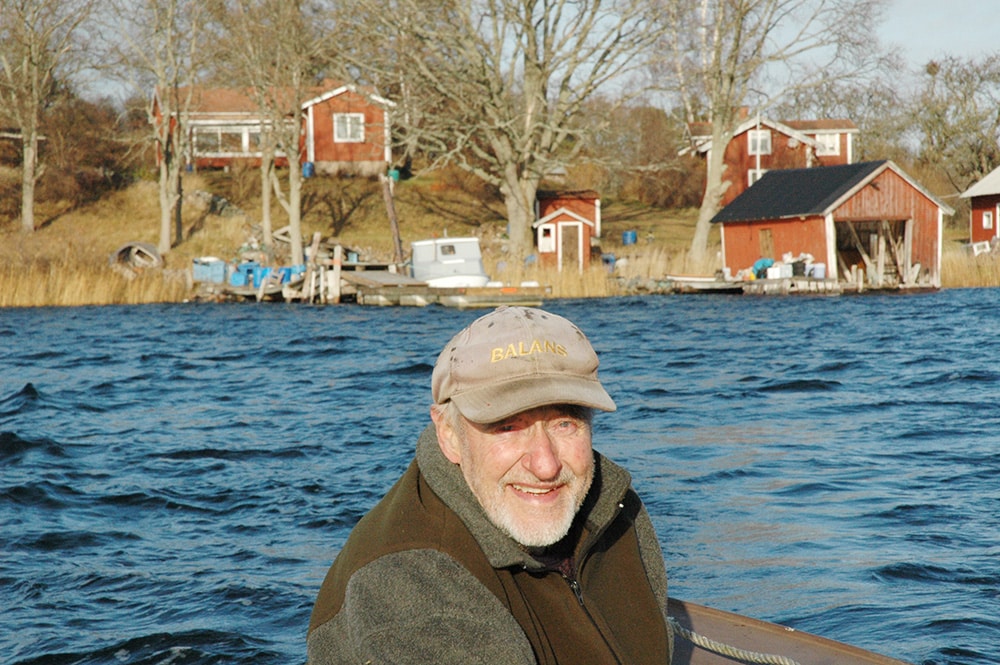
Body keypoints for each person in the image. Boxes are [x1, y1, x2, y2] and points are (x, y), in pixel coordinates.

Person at [307, 306, 672, 664]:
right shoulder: (408, 581)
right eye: (507, 428)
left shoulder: (616, 511)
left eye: (564, 424)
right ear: (448, 434)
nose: (545, 465)